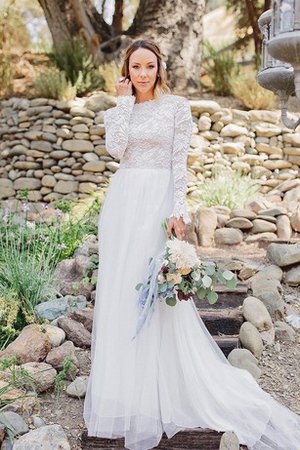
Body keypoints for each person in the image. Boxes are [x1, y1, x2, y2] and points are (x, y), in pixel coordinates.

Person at [83, 38, 300, 450]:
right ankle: (123, 395)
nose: (143, 73)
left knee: (155, 290)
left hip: (158, 203)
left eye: (149, 66)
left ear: (159, 68)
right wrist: (124, 103)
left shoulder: (177, 107)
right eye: (136, 67)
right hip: (122, 205)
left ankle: (163, 388)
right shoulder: (120, 109)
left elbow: (178, 162)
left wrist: (178, 209)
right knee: (120, 293)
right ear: (127, 72)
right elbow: (116, 151)